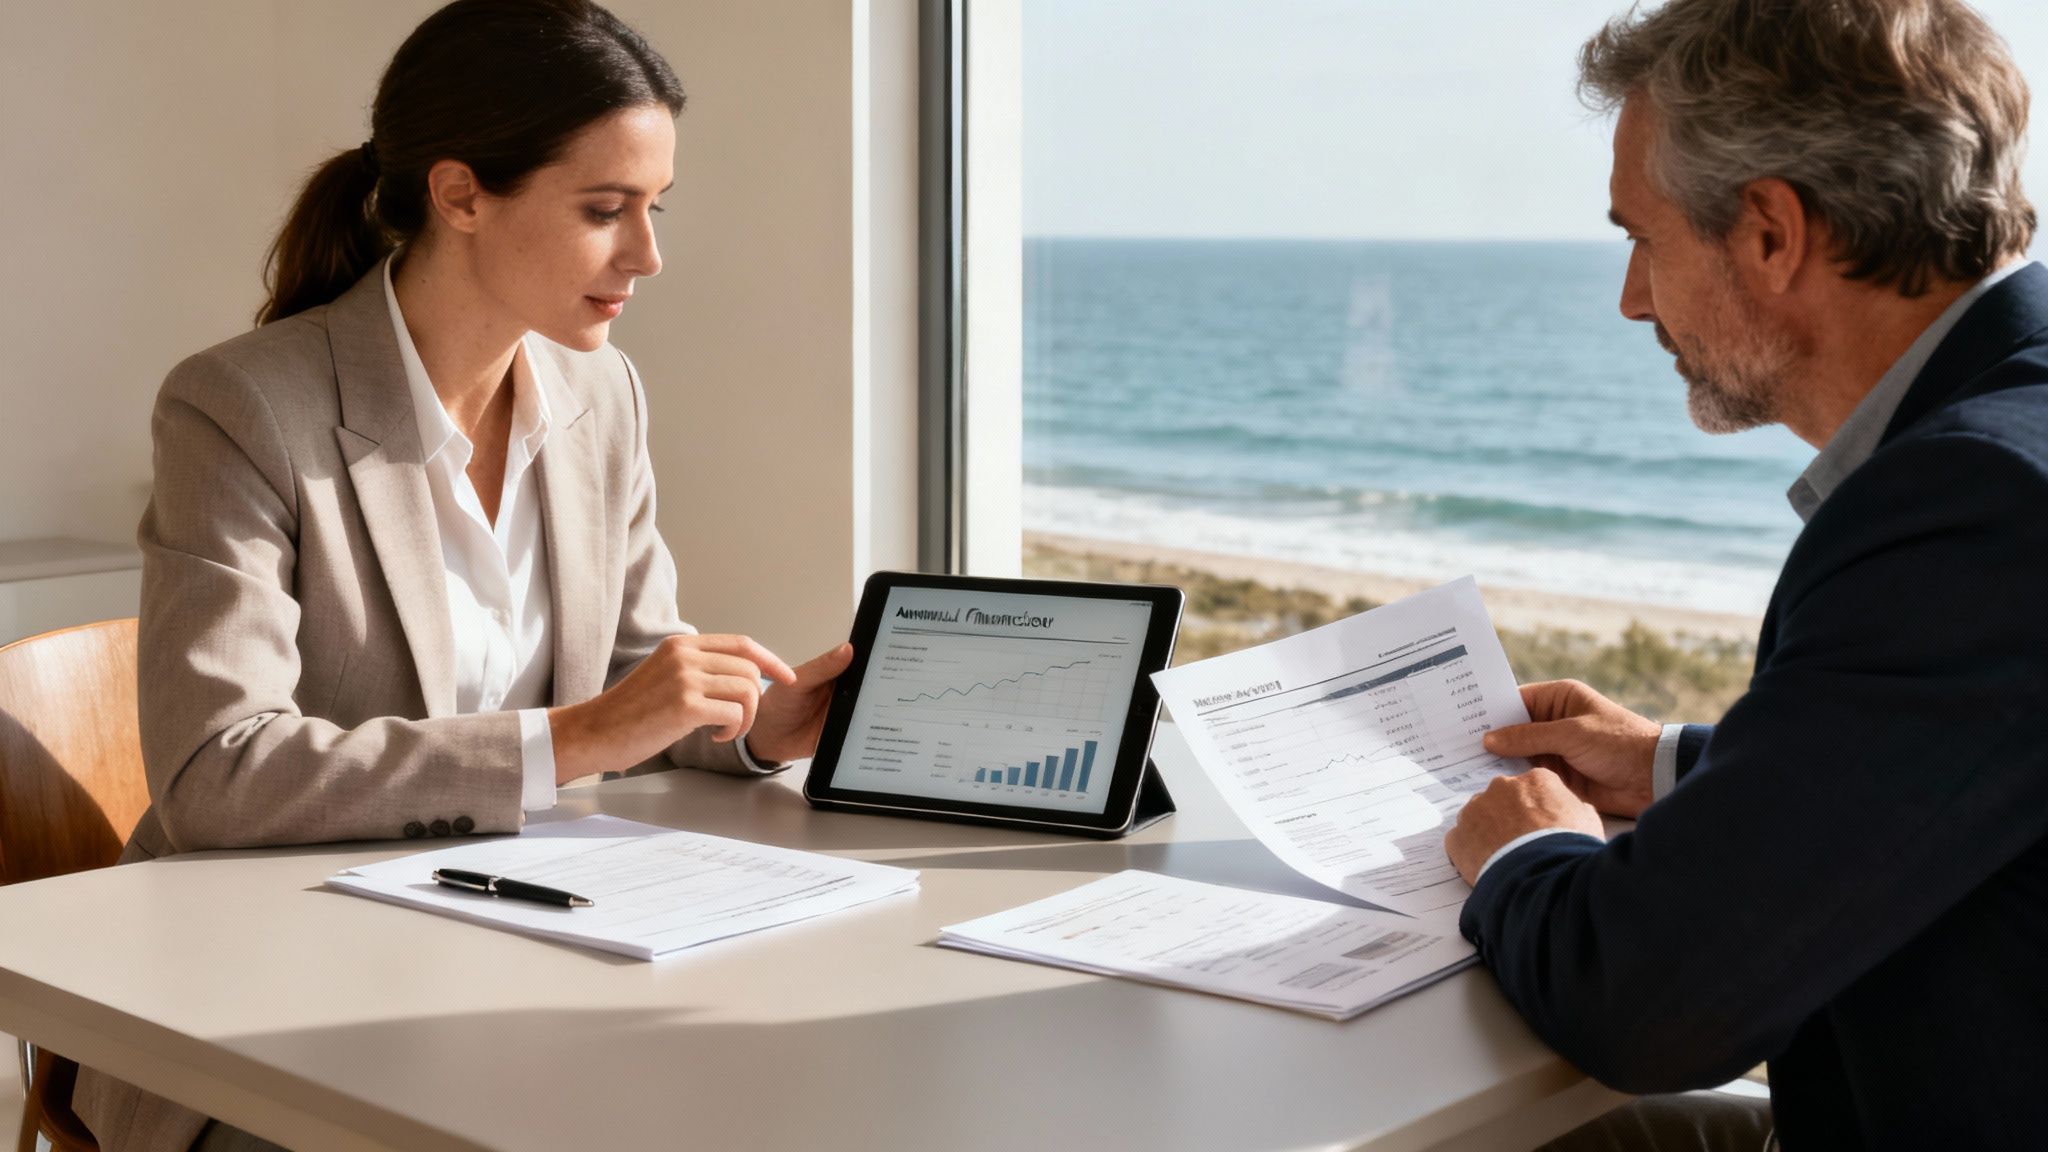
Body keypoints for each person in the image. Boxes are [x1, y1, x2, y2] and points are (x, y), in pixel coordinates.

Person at [73, 3, 851, 1149]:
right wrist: (574, 740)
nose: (646, 255)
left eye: (653, 209)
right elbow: (216, 775)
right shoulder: (243, 407)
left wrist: (745, 724)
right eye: (604, 211)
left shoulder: (600, 396)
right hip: (266, 995)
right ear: (460, 194)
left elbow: (632, 668)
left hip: (512, 941)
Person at [1441, 0, 2048, 1148]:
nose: (1632, 298)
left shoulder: (1973, 505)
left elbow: (1643, 1004)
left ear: (1770, 232)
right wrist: (1671, 766)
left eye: (1642, 237)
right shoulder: (2010, 432)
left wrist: (1519, 849)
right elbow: (1961, 765)